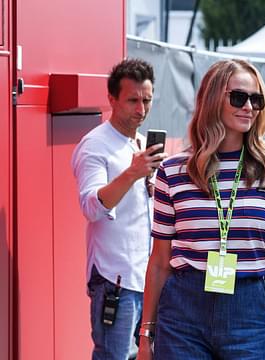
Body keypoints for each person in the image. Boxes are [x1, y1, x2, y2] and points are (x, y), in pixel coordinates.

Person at [137, 59, 265, 360]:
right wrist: (146, 334)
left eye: (256, 99)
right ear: (212, 99)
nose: (248, 106)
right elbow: (159, 261)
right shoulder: (173, 170)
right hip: (183, 310)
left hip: (247, 309)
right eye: (238, 97)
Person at [71, 58, 166, 359]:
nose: (141, 109)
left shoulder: (138, 142)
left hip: (146, 275)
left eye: (147, 100)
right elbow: (91, 207)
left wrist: (149, 185)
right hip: (115, 279)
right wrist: (132, 174)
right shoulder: (94, 145)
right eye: (132, 101)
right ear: (111, 99)